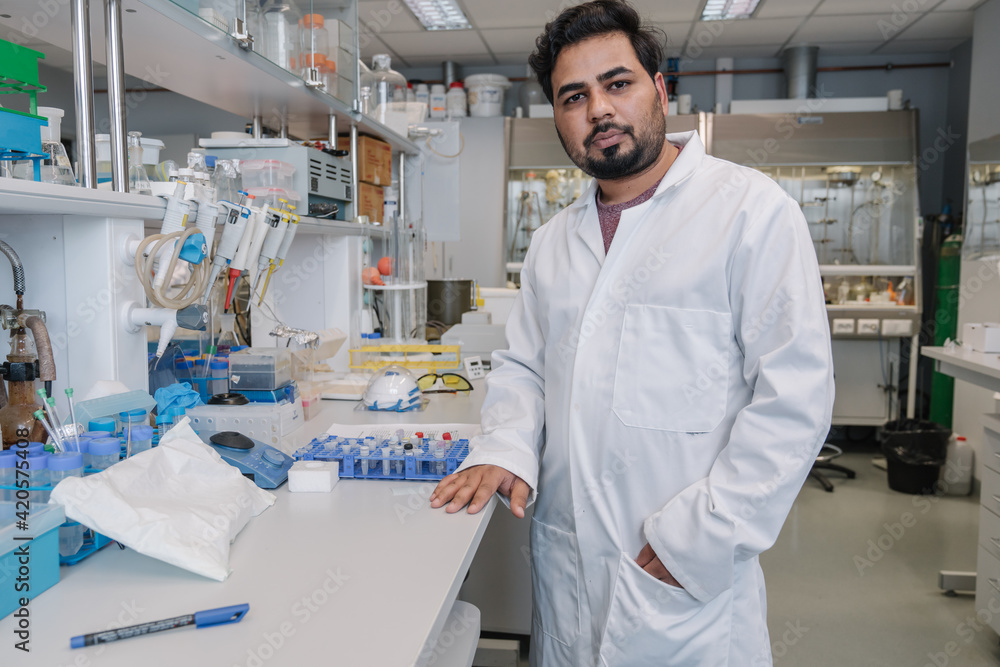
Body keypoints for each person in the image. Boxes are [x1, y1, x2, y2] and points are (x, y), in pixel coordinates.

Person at [430, 1, 834, 665]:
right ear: (557, 117)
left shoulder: (750, 213)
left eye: (617, 83)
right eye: (573, 97)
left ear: (659, 89)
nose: (599, 110)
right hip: (566, 567)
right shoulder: (553, 242)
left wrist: (703, 537)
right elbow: (524, 366)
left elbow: (796, 399)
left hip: (683, 576)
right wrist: (505, 444)